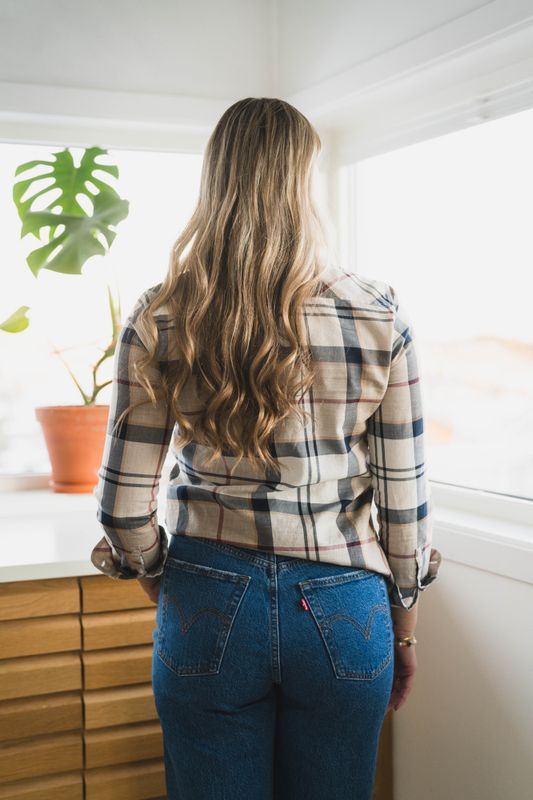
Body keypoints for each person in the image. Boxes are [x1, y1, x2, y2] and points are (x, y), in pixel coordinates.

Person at [90, 96, 442, 800]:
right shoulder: (378, 312)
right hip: (345, 604)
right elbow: (403, 505)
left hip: (207, 593)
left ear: (216, 181)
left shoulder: (162, 314)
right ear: (303, 183)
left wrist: (165, 577)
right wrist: (401, 630)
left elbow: (124, 509)